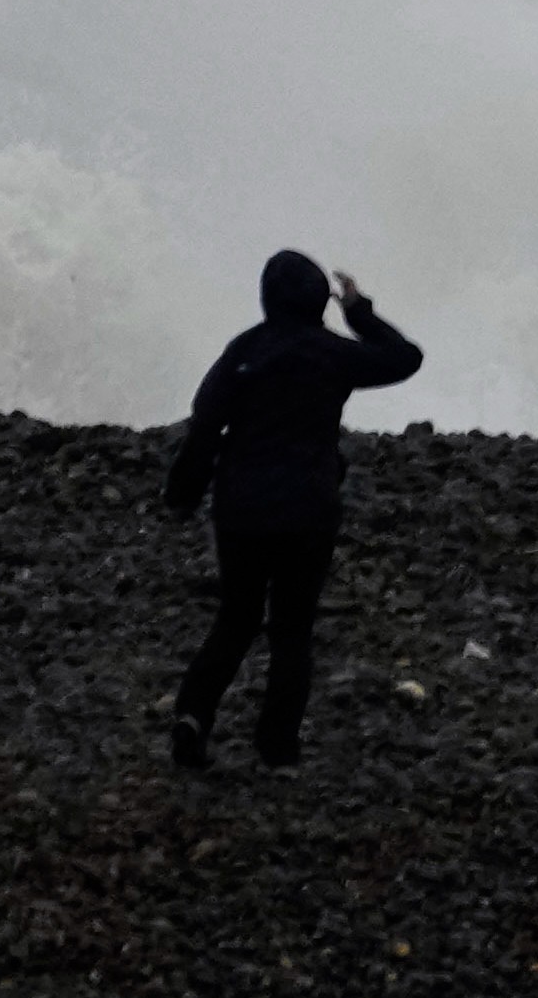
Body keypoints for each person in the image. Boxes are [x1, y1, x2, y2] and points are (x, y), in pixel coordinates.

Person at [161, 249, 424, 774]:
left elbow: (205, 425)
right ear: (319, 301)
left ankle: (192, 717)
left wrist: (184, 493)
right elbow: (404, 359)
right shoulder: (332, 354)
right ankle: (277, 750)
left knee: (236, 618)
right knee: (292, 628)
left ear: (266, 299)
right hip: (308, 506)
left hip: (242, 507)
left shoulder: (246, 350)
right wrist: (359, 311)